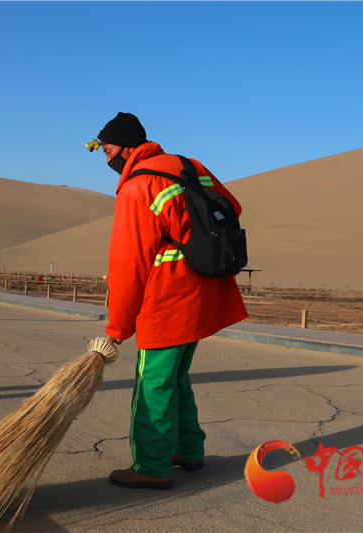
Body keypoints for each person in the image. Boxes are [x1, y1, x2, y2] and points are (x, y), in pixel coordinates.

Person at [92, 112, 248, 490]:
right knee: (175, 378)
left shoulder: (136, 187)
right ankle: (188, 449)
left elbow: (128, 264)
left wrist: (117, 327)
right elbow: (232, 206)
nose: (107, 160)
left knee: (153, 384)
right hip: (203, 289)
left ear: (126, 147)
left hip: (168, 298)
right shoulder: (187, 165)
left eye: (108, 151)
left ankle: (151, 465)